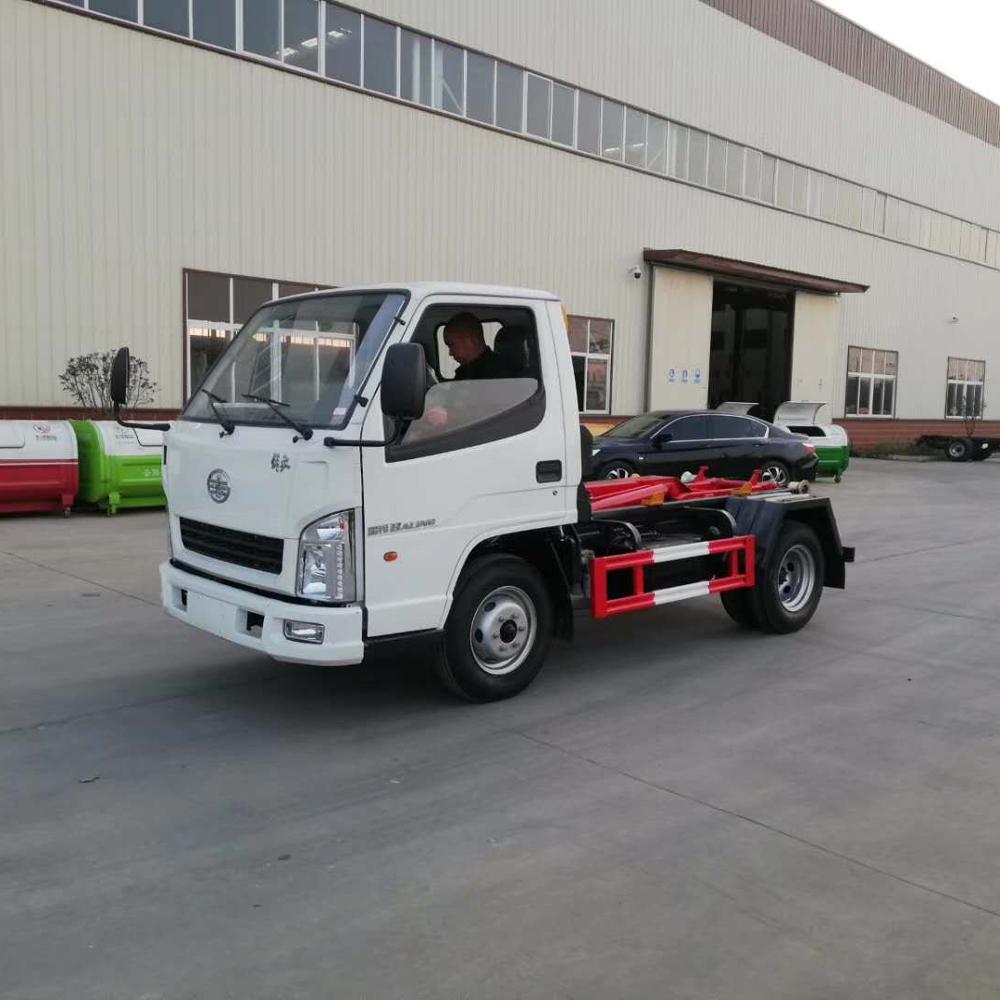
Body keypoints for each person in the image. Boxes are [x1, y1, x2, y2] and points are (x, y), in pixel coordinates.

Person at [442, 312, 516, 380]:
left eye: (452, 345)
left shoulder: (499, 373)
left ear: (470, 340)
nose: (450, 353)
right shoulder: (465, 371)